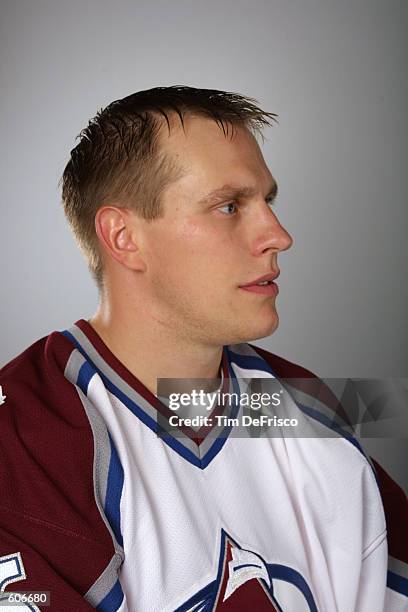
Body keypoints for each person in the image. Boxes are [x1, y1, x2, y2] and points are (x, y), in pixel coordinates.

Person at [0, 86, 406, 612]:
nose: (279, 235)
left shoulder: (302, 408)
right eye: (230, 206)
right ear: (123, 237)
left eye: (268, 201)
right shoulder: (25, 437)